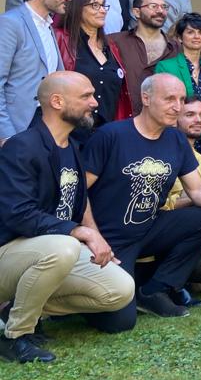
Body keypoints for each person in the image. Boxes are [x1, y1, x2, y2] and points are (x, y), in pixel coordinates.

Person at [84, 74, 201, 329]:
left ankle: (155, 290)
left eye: (180, 99)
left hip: (149, 229)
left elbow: (198, 189)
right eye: (169, 99)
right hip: (110, 239)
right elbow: (81, 192)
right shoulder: (111, 135)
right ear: (146, 98)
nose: (177, 106)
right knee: (118, 322)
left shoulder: (175, 139)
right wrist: (93, 236)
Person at [0, 72, 135, 363]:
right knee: (65, 246)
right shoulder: (21, 147)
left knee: (120, 290)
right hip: (10, 252)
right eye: (86, 96)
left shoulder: (71, 146)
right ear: (57, 101)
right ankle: (15, 336)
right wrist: (79, 233)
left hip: (50, 254)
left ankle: (19, 309)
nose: (95, 103)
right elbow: (17, 214)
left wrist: (94, 235)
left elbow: (79, 201)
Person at [159, 95, 201, 306]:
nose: (198, 120)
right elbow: (161, 205)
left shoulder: (199, 158)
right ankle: (166, 287)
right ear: (176, 118)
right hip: (158, 226)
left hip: (182, 226)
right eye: (190, 114)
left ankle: (175, 284)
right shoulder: (163, 152)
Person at [0, 0, 73, 144]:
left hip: (46, 127)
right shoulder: (10, 23)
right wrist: (6, 134)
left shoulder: (48, 26)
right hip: (17, 128)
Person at [54, 0, 131, 134]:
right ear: (77, 8)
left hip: (106, 134)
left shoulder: (112, 47)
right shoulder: (61, 39)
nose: (102, 10)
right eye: (95, 5)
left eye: (104, 6)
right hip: (69, 132)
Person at [154, 12, 201, 153]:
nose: (196, 36)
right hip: (175, 140)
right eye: (190, 32)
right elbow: (160, 106)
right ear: (180, 37)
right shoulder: (166, 67)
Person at [109, 0, 178, 114]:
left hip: (163, 122)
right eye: (153, 6)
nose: (160, 11)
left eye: (164, 6)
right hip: (123, 120)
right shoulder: (114, 42)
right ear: (136, 12)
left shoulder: (176, 48)